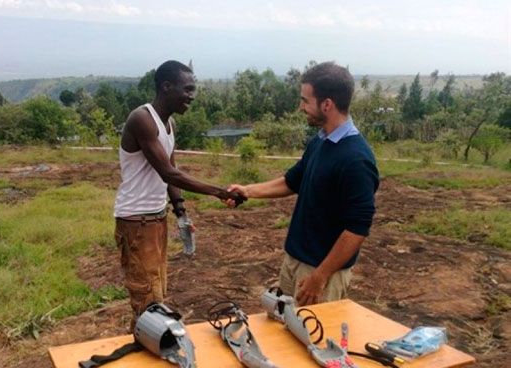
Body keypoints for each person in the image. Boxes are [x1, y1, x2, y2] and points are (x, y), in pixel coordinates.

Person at [228, 62, 379, 306]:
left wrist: (320, 276)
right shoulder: (320, 141)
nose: (301, 107)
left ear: (327, 104)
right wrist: (248, 191)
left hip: (321, 273)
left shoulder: (356, 159)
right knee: (283, 331)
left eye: (305, 100)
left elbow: (357, 229)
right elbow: (292, 181)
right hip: (294, 261)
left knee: (311, 340)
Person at [114, 60, 242, 327]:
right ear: (166, 86)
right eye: (188, 89)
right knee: (146, 300)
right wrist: (219, 192)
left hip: (155, 219)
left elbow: (171, 169)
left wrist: (180, 212)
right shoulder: (142, 119)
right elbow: (169, 174)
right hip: (137, 222)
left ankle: (151, 342)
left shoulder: (168, 123)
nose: (191, 96)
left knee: (156, 292)